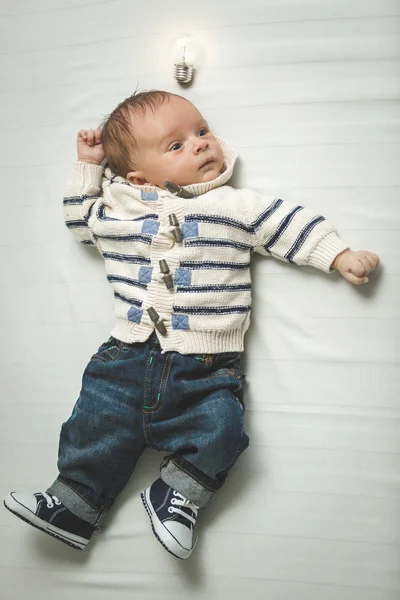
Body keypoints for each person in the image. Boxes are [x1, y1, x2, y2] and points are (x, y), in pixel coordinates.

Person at [4, 90, 380, 560]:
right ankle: (73, 507)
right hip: (124, 357)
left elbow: (287, 223)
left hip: (208, 364)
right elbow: (81, 221)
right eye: (176, 145)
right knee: (95, 426)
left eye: (202, 131)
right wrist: (88, 165)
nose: (201, 144)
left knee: (223, 430)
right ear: (139, 176)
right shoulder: (119, 211)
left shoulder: (233, 205)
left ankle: (177, 495)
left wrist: (337, 255)